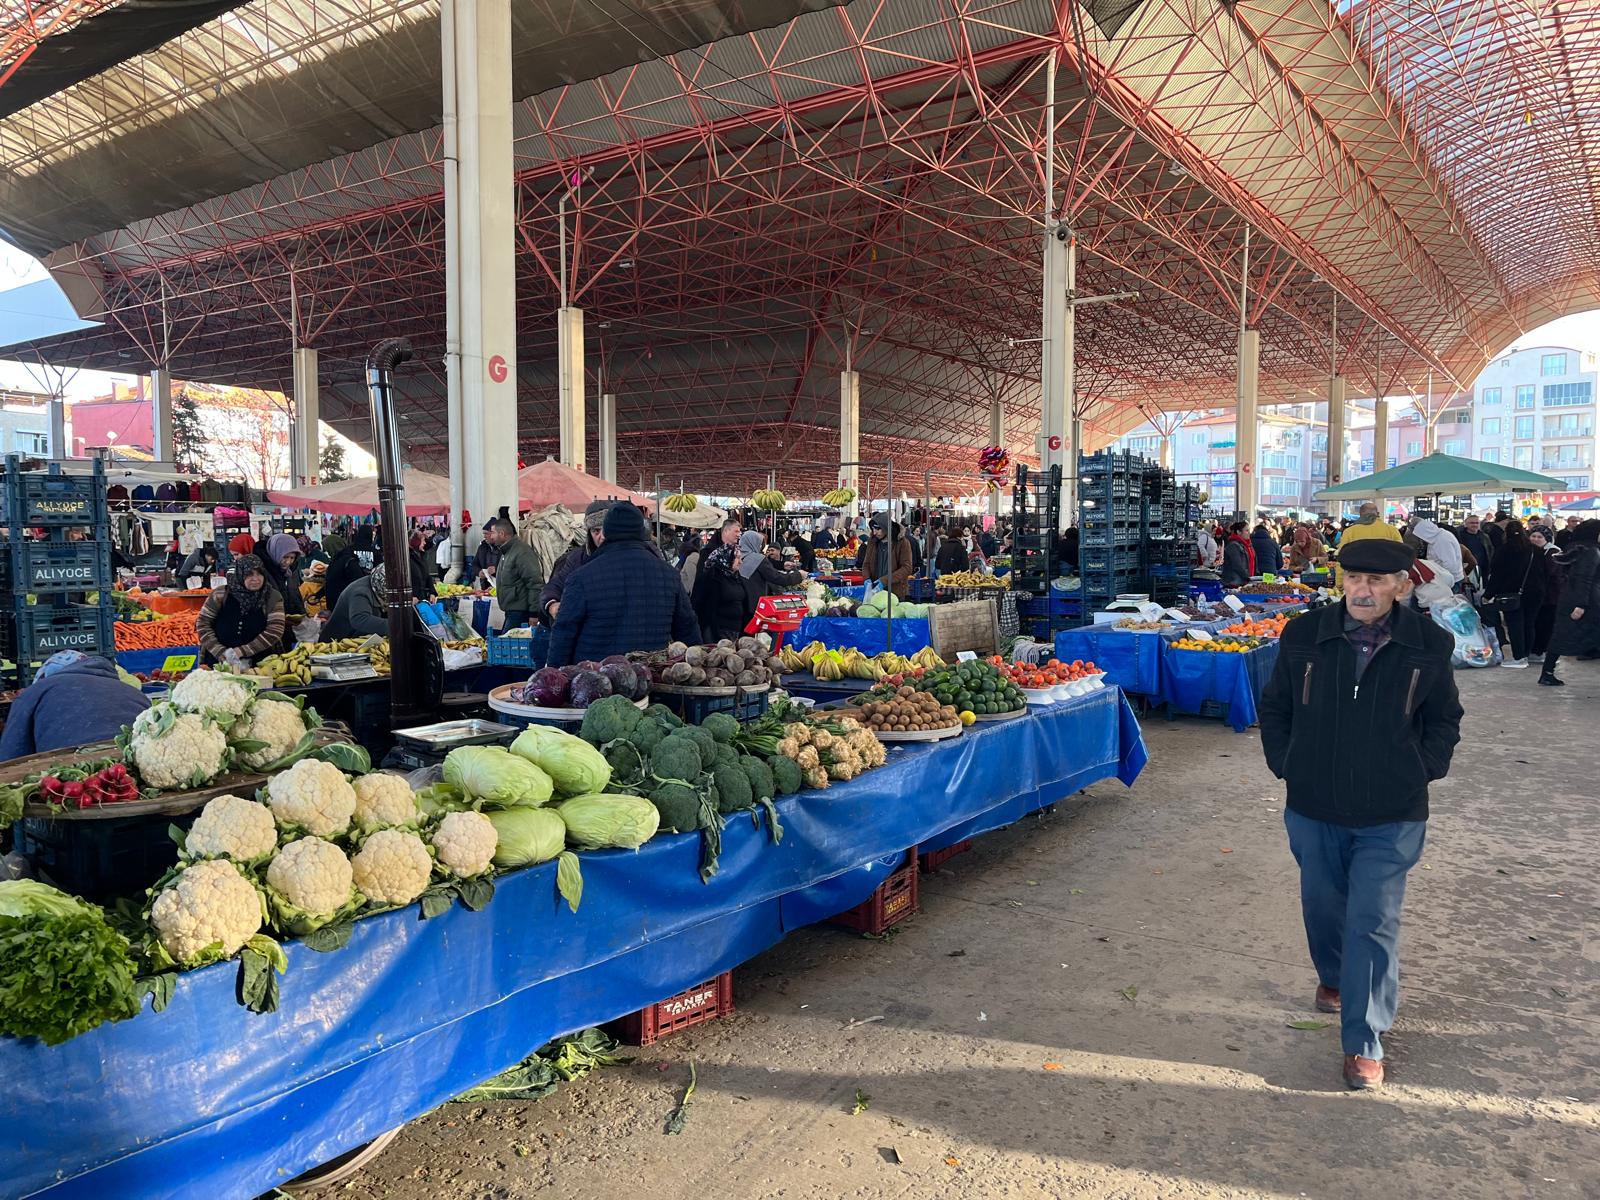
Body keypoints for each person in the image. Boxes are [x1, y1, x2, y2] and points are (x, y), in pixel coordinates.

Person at [1259, 538, 1462, 1091]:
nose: (1362, 590)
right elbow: (1275, 705)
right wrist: (1287, 762)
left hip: (1392, 810)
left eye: (1376, 581)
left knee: (1372, 919)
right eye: (1353, 579)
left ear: (1402, 586)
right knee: (1323, 905)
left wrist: (1421, 766)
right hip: (1314, 802)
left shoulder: (1429, 643)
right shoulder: (1305, 635)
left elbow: (1445, 717)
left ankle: (1364, 1041)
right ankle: (1333, 978)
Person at [546, 502, 701, 666]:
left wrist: (556, 678)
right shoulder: (669, 575)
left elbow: (563, 634)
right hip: (651, 679)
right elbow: (688, 630)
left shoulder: (582, 577)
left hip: (595, 681)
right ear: (642, 532)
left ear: (607, 532)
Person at [0, 651, 151, 760]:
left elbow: (11, 756)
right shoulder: (134, 692)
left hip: (71, 768)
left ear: (44, 676)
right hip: (135, 763)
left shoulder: (36, 691)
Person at [196, 554, 287, 666]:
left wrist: (241, 651)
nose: (255, 579)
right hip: (217, 662)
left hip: (260, 664)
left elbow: (275, 631)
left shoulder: (272, 597)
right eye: (249, 574)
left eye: (260, 574)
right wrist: (220, 652)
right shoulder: (220, 594)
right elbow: (202, 624)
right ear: (240, 574)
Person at [1539, 518, 1600, 686]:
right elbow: (1584, 579)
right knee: (1565, 636)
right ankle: (1547, 673)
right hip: (1588, 601)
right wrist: (1581, 604)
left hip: (1570, 598)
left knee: (1561, 636)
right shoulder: (1591, 551)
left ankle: (1547, 672)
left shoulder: (1576, 549)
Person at [1481, 519, 1543, 668]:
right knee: (1529, 624)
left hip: (1511, 593)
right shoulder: (1535, 550)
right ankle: (1527, 654)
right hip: (1535, 593)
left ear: (1506, 533)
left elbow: (1496, 575)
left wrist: (1488, 594)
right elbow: (1543, 573)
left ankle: (1519, 657)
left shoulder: (1504, 550)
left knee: (1515, 625)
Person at [538, 501, 611, 626]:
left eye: (607, 530)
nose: (602, 536)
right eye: (596, 531)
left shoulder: (634, 555)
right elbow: (555, 586)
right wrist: (552, 604)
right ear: (589, 533)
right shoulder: (576, 558)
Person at [482, 516, 543, 630]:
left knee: (508, 645)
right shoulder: (507, 551)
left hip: (520, 612)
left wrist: (534, 614)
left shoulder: (522, 552)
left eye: (493, 533)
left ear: (502, 533)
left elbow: (535, 583)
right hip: (512, 611)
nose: (491, 536)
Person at [737, 529, 803, 618]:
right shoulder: (757, 559)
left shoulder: (737, 556)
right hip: (756, 604)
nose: (760, 547)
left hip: (741, 604)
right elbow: (777, 578)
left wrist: (782, 565)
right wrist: (798, 576)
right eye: (759, 543)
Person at [324, 562, 391, 640]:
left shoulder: (375, 585)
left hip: (361, 638)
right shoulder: (360, 592)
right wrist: (395, 626)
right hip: (338, 642)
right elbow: (359, 619)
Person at [1526, 526, 1562, 658]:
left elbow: (1549, 573)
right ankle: (1535, 649)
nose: (1535, 539)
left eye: (1539, 537)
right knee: (1536, 622)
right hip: (1537, 595)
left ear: (1546, 539)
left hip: (1550, 596)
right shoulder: (1531, 550)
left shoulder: (1553, 551)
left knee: (1546, 624)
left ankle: (1543, 651)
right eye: (1533, 536)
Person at [861, 515, 915, 598]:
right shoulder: (872, 542)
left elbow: (907, 568)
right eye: (873, 529)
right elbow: (866, 564)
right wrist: (867, 578)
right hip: (875, 593)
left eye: (878, 529)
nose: (874, 532)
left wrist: (885, 581)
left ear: (886, 528)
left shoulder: (902, 543)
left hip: (895, 593)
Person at [1408, 518, 1464, 589]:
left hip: (1449, 582)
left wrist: (1439, 581)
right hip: (1444, 578)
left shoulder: (1442, 540)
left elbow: (1449, 565)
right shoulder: (1436, 537)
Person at [1455, 514, 1493, 580]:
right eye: (1472, 523)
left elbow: (1490, 551)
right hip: (1466, 569)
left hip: (1483, 569)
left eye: (1477, 523)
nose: (1475, 525)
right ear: (1466, 524)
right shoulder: (1459, 536)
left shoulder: (1484, 537)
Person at [1221, 521, 1255, 586]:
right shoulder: (1233, 545)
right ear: (1239, 532)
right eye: (1246, 531)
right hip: (1234, 582)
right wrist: (1248, 577)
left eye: (1249, 530)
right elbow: (1237, 565)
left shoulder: (1248, 545)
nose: (1249, 533)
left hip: (1244, 582)